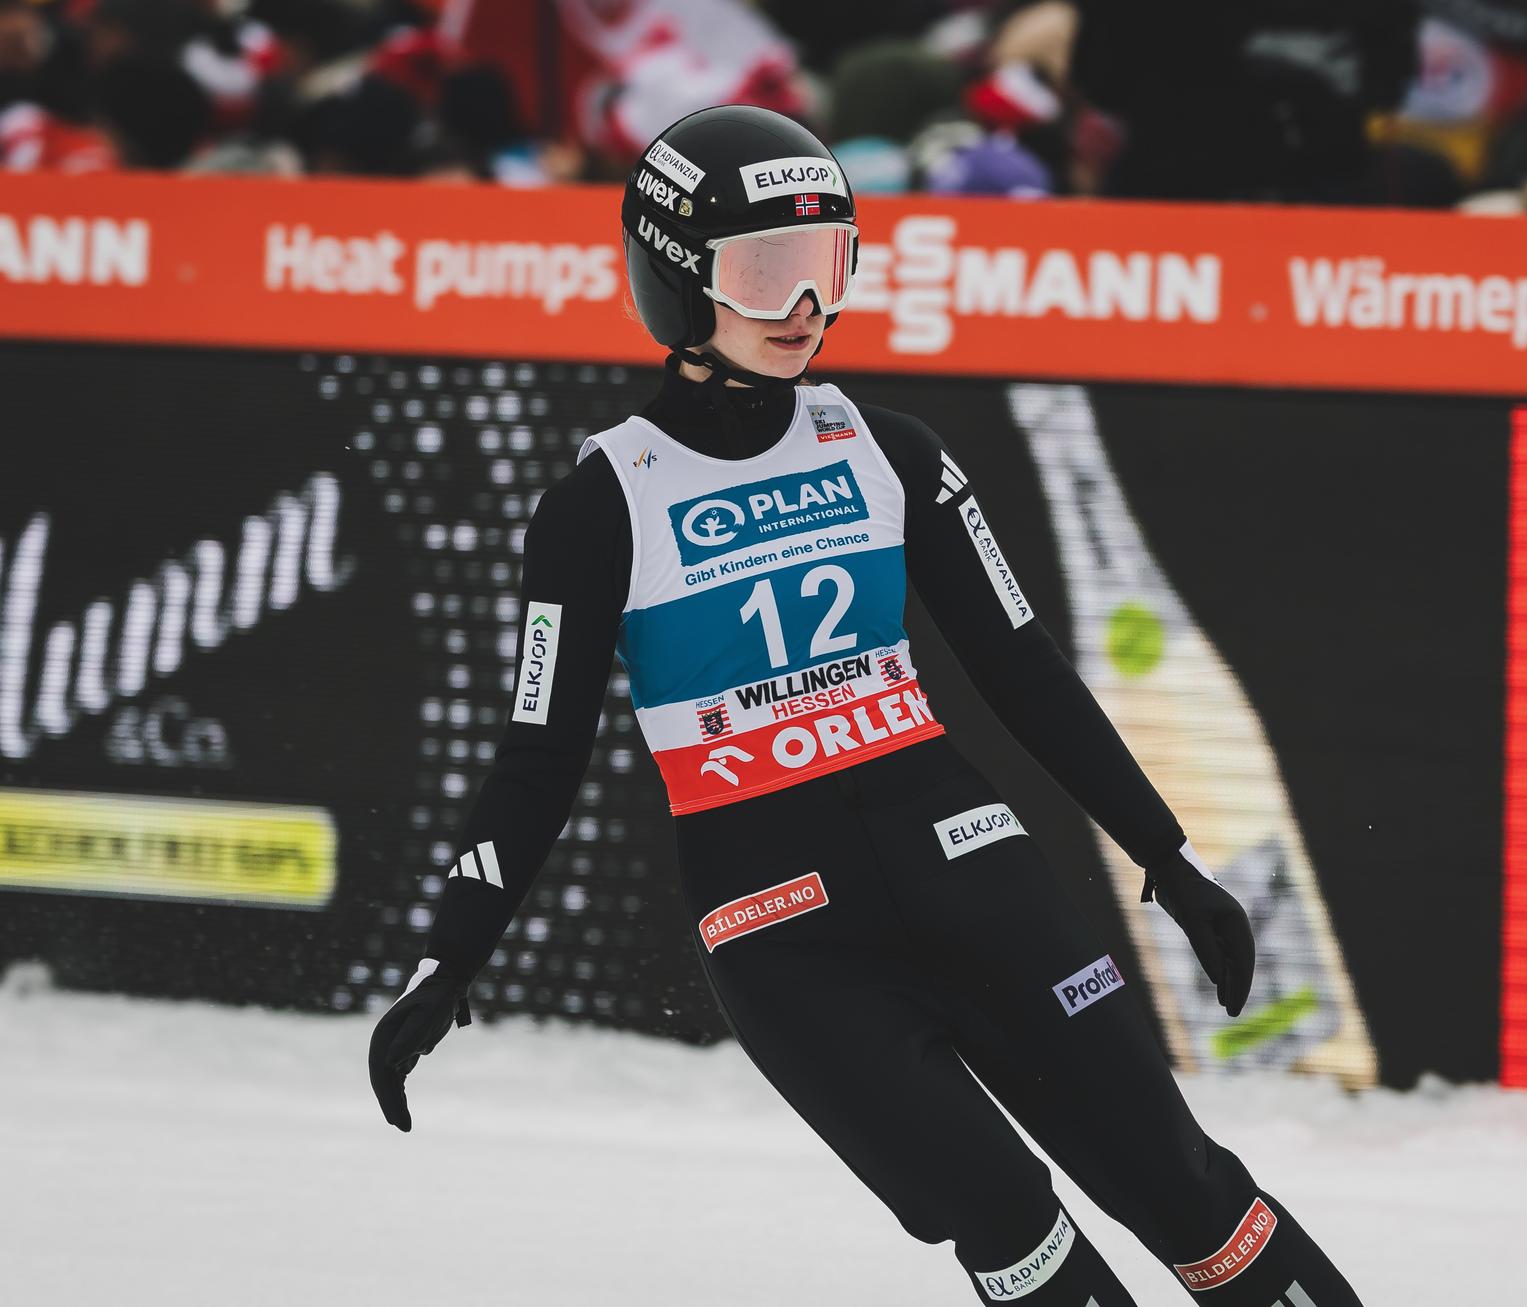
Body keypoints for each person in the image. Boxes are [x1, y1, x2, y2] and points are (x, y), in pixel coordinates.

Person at [368, 103, 1366, 1307]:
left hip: (973, 873)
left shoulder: (890, 450)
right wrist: (449, 954)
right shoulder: (598, 505)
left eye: (827, 264)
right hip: (789, 942)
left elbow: (1023, 667)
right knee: (1006, 1216)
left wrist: (1165, 851)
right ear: (677, 280)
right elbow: (536, 759)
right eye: (765, 272)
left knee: (1180, 1184)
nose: (804, 306)